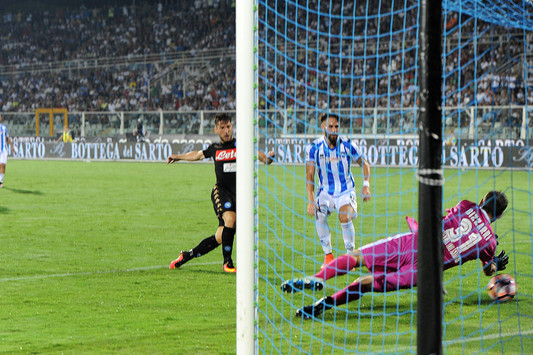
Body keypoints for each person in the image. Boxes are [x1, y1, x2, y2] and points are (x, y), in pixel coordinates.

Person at [281, 190, 509, 319]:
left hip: (414, 241)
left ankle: (317, 279)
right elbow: (487, 268)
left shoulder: (466, 205)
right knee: (367, 283)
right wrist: (495, 264)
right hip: (425, 269)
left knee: (358, 258)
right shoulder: (488, 240)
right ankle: (325, 304)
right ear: (498, 217)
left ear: (481, 201)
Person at [168, 112, 274, 273]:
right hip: (221, 191)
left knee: (220, 236)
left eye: (229, 127)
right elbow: (197, 154)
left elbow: (261, 157)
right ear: (216, 130)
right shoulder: (215, 148)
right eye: (222, 128)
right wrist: (179, 157)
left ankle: (186, 256)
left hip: (238, 194)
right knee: (231, 218)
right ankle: (228, 263)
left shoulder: (242, 145)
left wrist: (268, 159)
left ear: (232, 127)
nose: (226, 131)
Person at [306, 112, 372, 268]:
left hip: (345, 191)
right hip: (325, 192)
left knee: (344, 216)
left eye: (336, 126)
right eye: (330, 126)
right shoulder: (315, 147)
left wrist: (366, 185)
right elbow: (310, 174)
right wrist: (310, 199)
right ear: (323, 128)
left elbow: (365, 164)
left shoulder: (348, 145)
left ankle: (350, 256)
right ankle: (328, 256)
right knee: (318, 212)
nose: (334, 130)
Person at [0, 113, 15, 188]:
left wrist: (12, 147)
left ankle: (1, 181)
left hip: (3, 150)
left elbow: (7, 137)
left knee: (3, 165)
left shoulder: (3, 127)